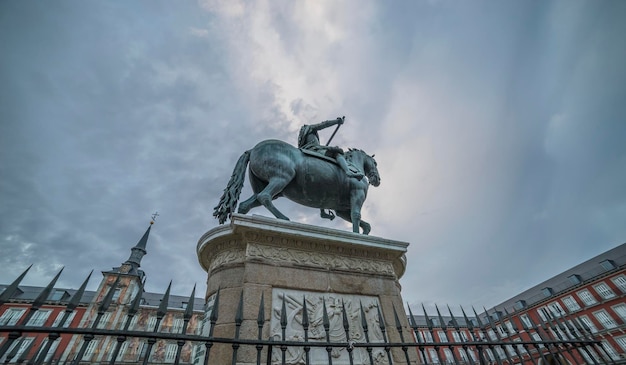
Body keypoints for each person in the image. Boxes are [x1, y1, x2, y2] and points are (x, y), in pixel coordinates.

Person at [298, 117, 363, 180]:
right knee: (336, 153)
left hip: (310, 150)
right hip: (315, 150)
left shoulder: (302, 138)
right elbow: (324, 124)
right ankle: (348, 171)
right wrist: (337, 121)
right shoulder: (310, 128)